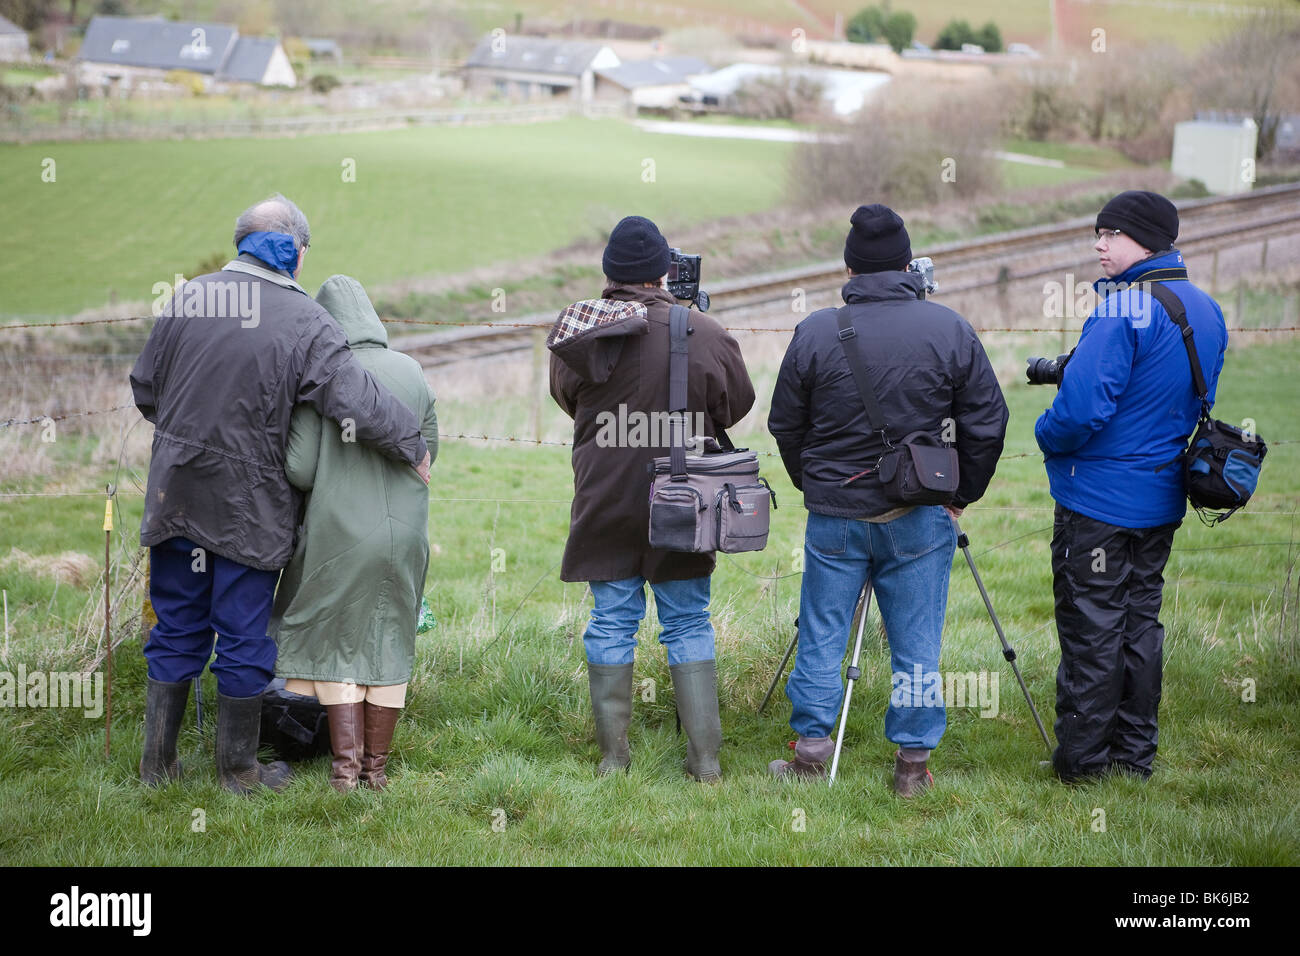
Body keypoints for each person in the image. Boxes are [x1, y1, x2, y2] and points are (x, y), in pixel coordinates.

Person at [131, 195, 432, 795]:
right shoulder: (306, 320)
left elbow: (146, 387)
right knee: (244, 632)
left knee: (176, 623)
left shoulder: (191, 295)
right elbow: (352, 400)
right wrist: (412, 444)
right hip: (247, 507)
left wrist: (189, 438)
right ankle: (239, 771)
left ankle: (156, 767)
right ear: (294, 252)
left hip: (177, 493)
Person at [767, 204, 1008, 795]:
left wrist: (814, 484)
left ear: (849, 268)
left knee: (823, 628)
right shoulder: (949, 327)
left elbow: (784, 425)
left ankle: (812, 751)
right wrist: (961, 495)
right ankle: (912, 765)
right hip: (921, 512)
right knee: (917, 639)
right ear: (908, 265)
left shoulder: (816, 331)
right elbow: (988, 420)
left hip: (835, 516)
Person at [549, 215, 755, 782]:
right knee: (688, 621)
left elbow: (567, 397)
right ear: (665, 271)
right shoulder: (705, 331)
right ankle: (705, 764)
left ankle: (615, 760)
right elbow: (734, 404)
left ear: (610, 273)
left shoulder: (578, 329)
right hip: (684, 495)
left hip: (605, 492)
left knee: (611, 620)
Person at [1035, 190, 1226, 783]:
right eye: (1098, 232)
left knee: (1092, 629)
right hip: (1161, 498)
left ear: (1146, 241)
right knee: (1140, 626)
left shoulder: (1122, 311)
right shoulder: (1205, 308)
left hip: (1098, 505)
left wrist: (1045, 432)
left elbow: (1080, 411)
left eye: (1111, 234)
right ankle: (1133, 758)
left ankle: (1084, 765)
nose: (1099, 243)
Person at [269, 275, 439, 793]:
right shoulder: (411, 370)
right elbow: (429, 449)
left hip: (339, 535)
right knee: (388, 641)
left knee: (336, 643)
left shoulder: (321, 377)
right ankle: (376, 773)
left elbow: (299, 468)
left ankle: (344, 773)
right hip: (407, 535)